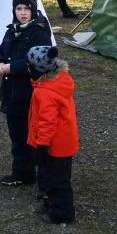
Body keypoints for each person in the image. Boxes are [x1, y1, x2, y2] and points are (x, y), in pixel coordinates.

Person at [0, 0, 53, 187]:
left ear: (33, 10)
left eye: (27, 8)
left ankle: (46, 180)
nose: (23, 13)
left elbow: (40, 64)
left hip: (31, 95)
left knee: (35, 138)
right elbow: (0, 54)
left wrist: (10, 68)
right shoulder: (11, 31)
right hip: (12, 94)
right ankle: (21, 173)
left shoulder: (39, 33)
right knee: (17, 137)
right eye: (19, 8)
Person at [26, 45, 78, 224]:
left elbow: (47, 123)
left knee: (58, 181)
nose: (27, 69)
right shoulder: (59, 81)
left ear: (37, 69)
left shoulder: (45, 92)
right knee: (57, 177)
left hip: (55, 146)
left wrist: (42, 146)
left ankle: (62, 213)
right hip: (64, 142)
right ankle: (53, 204)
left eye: (29, 66)